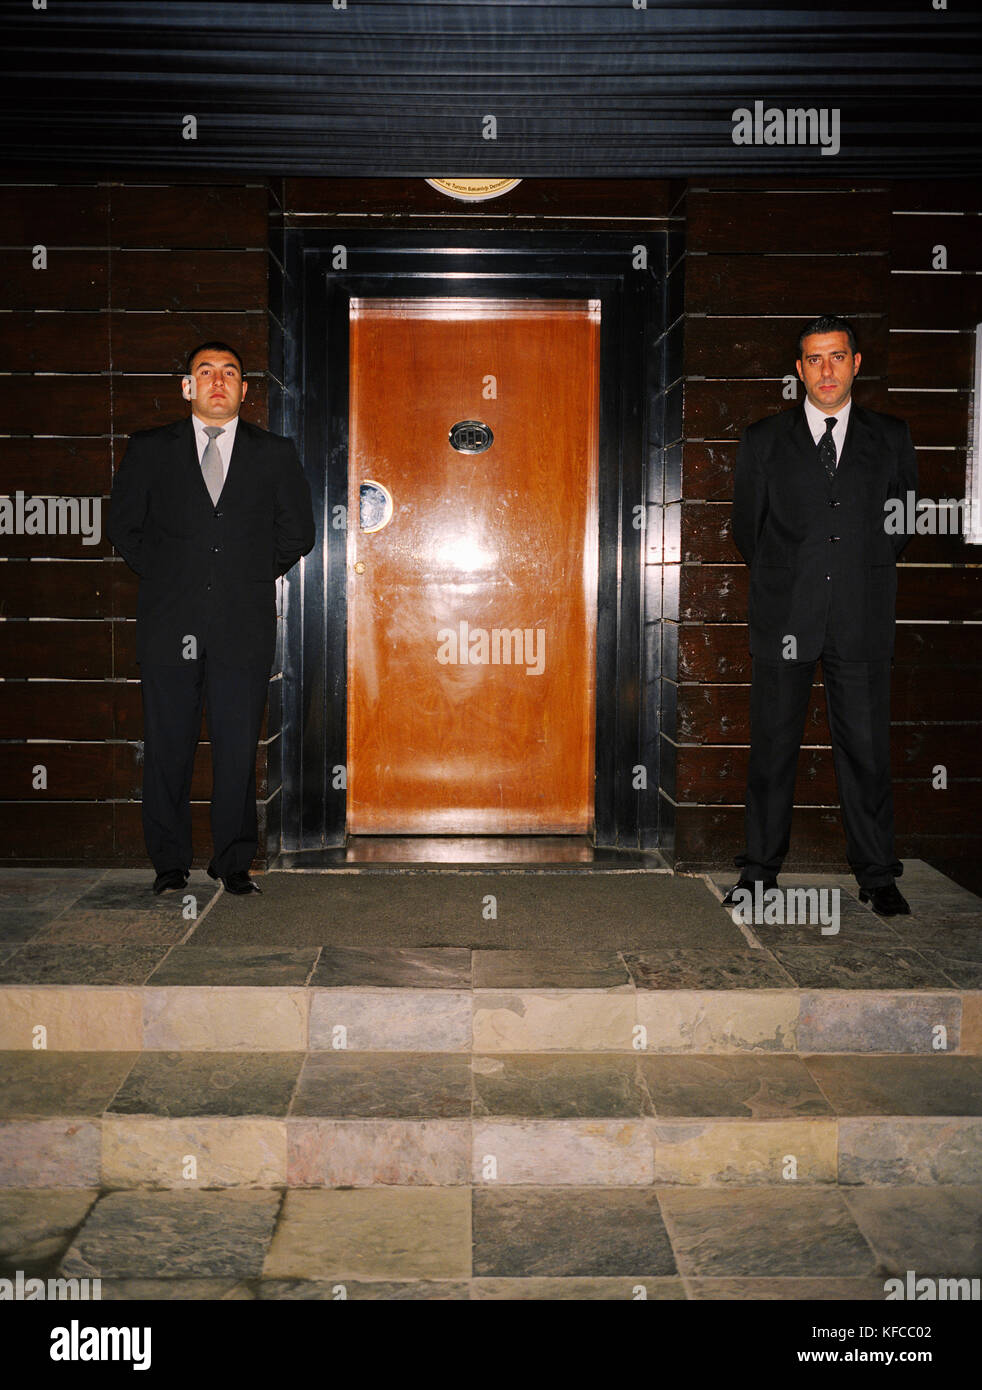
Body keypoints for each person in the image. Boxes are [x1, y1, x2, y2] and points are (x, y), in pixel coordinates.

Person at [723, 315, 918, 917]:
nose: (825, 370)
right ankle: (758, 874)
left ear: (856, 364)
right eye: (814, 359)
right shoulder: (763, 440)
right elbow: (747, 531)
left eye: (837, 357)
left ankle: (878, 875)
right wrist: (794, 582)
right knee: (773, 749)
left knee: (866, 751)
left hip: (862, 619)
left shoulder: (891, 436)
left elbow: (903, 525)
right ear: (799, 369)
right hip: (783, 620)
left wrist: (855, 576)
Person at [107, 342, 315, 895]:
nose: (217, 381)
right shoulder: (150, 450)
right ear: (188, 387)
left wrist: (244, 575)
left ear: (245, 391)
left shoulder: (275, 453)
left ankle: (233, 861)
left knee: (236, 746)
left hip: (241, 628)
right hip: (167, 626)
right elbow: (124, 527)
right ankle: (169, 863)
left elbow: (298, 534)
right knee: (168, 746)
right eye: (205, 372)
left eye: (229, 373)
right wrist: (173, 574)